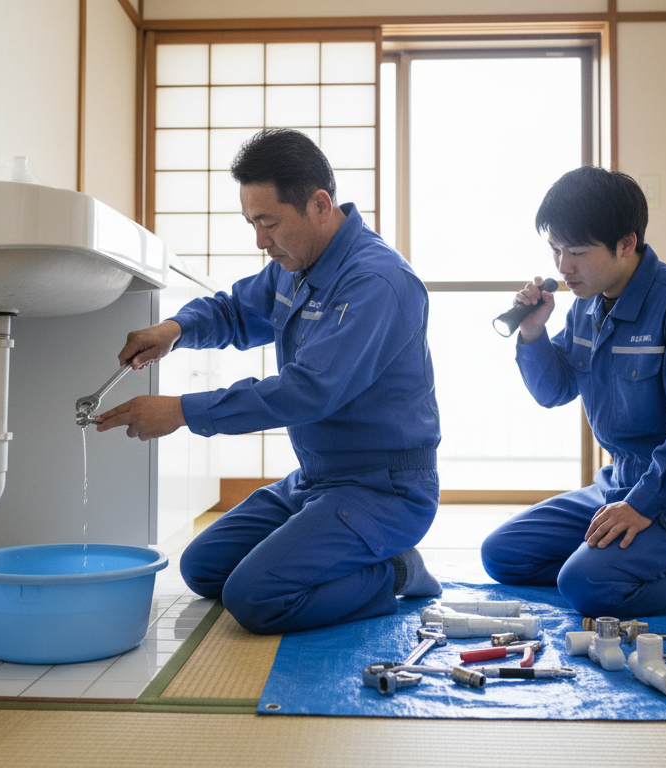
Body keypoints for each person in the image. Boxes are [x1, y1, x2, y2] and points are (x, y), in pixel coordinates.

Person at [95, 128, 443, 635]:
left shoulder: (377, 282)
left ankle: (396, 570)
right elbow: (237, 310)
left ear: (320, 205)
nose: (261, 241)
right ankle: (339, 549)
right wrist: (175, 330)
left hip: (384, 490)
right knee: (202, 568)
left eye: (269, 223)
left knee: (254, 597)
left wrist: (181, 411)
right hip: (315, 480)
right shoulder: (295, 262)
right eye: (252, 223)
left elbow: (308, 390)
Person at [480, 166, 666, 619]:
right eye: (555, 250)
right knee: (503, 554)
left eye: (578, 252)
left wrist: (643, 505)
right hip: (620, 481)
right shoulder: (588, 303)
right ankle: (629, 563)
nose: (563, 267)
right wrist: (532, 332)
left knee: (586, 586)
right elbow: (555, 390)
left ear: (627, 244)